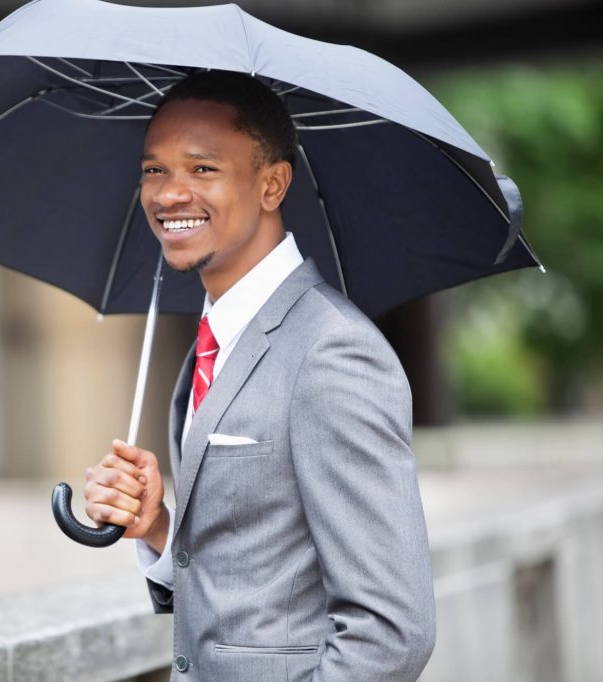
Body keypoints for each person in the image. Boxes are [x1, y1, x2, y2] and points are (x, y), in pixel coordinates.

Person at [82, 71, 436, 681]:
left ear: (272, 184)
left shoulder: (333, 351)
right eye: (154, 170)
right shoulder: (213, 342)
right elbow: (243, 579)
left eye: (202, 169)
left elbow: (394, 631)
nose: (169, 195)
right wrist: (160, 527)